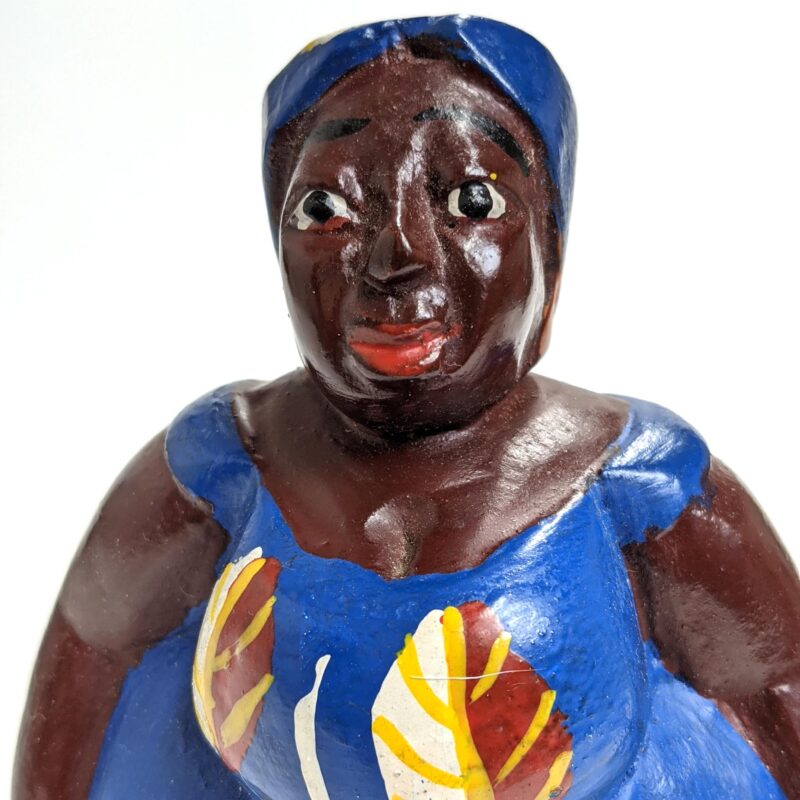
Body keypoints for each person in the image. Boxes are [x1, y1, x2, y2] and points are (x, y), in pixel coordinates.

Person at [14, 15, 800, 800]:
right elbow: (92, 659)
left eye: (471, 199)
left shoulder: (639, 485)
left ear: (550, 245)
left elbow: (775, 696)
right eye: (325, 209)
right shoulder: (221, 467)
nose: (399, 257)